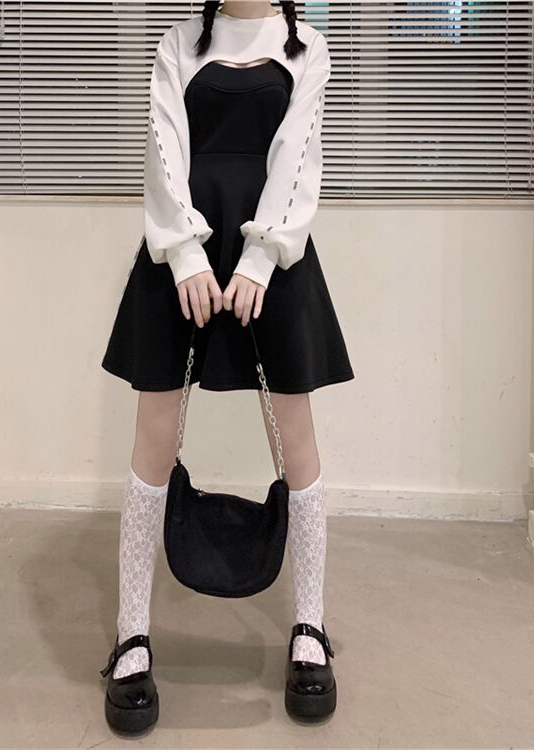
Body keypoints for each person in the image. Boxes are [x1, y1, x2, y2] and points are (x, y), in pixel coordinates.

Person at [98, 0, 354, 733]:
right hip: (182, 248)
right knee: (154, 435)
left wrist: (260, 256)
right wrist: (183, 252)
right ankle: (131, 635)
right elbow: (163, 151)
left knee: (296, 438)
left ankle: (310, 628)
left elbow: (298, 155)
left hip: (275, 255)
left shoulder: (308, 48)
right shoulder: (178, 44)